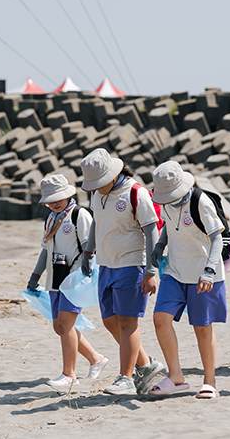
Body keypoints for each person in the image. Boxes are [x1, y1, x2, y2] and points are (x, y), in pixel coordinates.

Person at [79, 148, 167, 396]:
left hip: (132, 264)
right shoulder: (98, 194)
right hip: (106, 265)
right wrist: (88, 251)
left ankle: (126, 377)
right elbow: (97, 221)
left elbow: (152, 231)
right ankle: (147, 365)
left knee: (128, 321)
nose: (96, 187)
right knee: (110, 321)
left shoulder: (135, 192)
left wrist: (151, 269)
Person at [146, 161, 226, 400]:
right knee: (160, 319)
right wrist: (160, 246)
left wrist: (209, 270)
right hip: (174, 271)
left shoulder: (200, 201)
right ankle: (176, 376)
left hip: (204, 274)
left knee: (202, 327)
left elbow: (217, 238)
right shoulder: (167, 203)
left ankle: (209, 381)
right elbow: (169, 228)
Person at [26, 174, 110, 391]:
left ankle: (69, 374)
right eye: (50, 199)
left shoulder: (79, 215)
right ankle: (95, 358)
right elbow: (45, 250)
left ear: (69, 195)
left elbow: (89, 246)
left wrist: (86, 270)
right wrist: (35, 275)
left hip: (75, 278)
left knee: (66, 324)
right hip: (54, 279)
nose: (55, 202)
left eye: (58, 198)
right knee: (60, 326)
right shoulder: (51, 218)